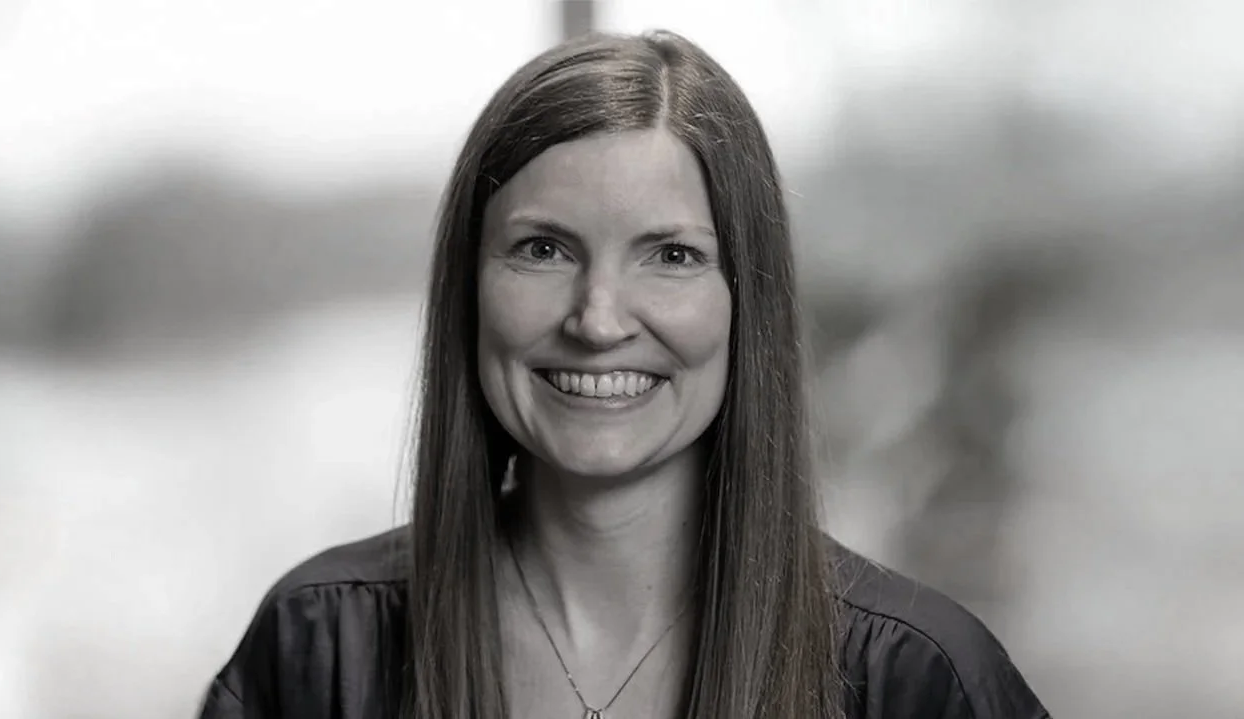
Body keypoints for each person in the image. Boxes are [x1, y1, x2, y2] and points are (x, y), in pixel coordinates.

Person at [197, 30, 1051, 719]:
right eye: (543, 249)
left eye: (670, 255)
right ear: (467, 286)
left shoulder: (918, 677)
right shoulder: (318, 644)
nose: (598, 318)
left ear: (744, 302)